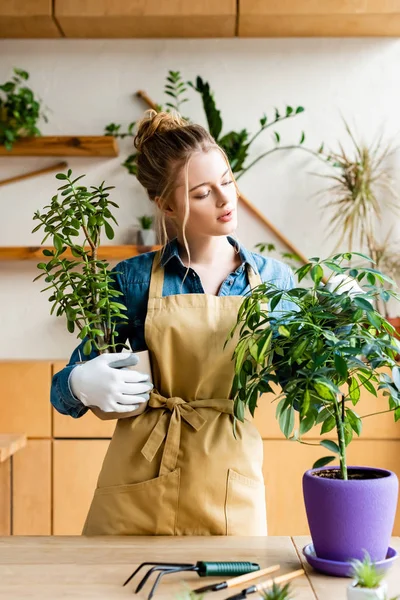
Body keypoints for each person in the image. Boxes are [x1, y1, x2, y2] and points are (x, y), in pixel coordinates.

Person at [51, 110, 296, 536]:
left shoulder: (274, 281)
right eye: (202, 193)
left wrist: (340, 322)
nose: (225, 199)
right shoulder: (131, 279)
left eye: (227, 181)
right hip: (137, 485)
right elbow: (62, 393)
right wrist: (78, 383)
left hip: (228, 484)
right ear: (165, 204)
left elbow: (301, 378)